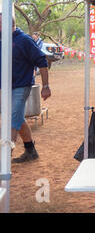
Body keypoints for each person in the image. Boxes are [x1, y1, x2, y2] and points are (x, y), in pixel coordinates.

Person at [0, 15, 51, 163]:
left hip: (21, 86)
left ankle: (4, 160)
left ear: (9, 24)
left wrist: (46, 87)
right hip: (4, 87)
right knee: (17, 118)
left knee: (11, 121)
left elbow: (42, 61)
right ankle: (30, 150)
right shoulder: (2, 39)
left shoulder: (24, 40)